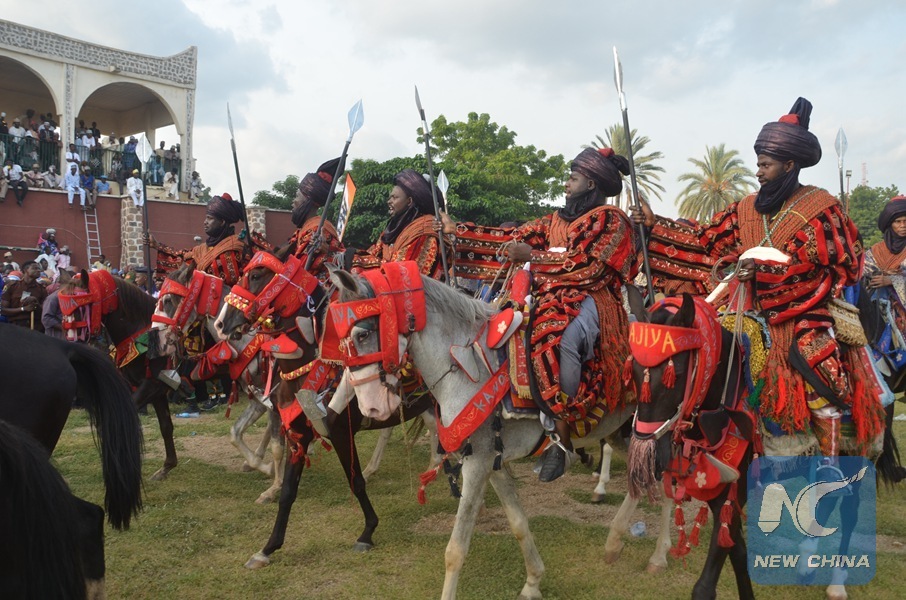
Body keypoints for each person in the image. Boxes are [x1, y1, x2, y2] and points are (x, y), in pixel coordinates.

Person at [631, 97, 884, 457]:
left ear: (790, 165)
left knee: (816, 364)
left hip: (800, 308)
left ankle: (832, 448)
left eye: (766, 165)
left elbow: (841, 267)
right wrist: (656, 226)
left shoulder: (821, 208)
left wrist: (766, 272)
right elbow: (705, 243)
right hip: (742, 304)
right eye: (758, 164)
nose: (759, 172)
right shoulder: (745, 207)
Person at [443, 147, 638, 481]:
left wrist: (534, 255)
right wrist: (457, 232)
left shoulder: (611, 220)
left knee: (563, 337)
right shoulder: (554, 221)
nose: (566, 184)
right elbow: (509, 238)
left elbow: (589, 266)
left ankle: (562, 436)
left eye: (572, 179)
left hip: (593, 296)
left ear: (590, 184)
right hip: (547, 294)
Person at [352, 168, 451, 280]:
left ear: (409, 201)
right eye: (390, 197)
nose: (389, 201)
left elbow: (403, 272)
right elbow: (373, 253)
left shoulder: (424, 228)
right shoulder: (393, 228)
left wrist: (357, 261)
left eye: (395, 197)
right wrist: (348, 257)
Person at [145, 193, 249, 287]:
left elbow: (226, 281)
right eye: (206, 218)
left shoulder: (233, 246)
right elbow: (182, 258)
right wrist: (157, 245)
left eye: (209, 218)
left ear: (222, 222)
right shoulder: (203, 248)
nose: (205, 222)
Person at [863, 195, 906, 388]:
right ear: (890, 223)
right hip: (877, 309)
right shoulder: (875, 251)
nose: (903, 225)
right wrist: (872, 279)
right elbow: (862, 274)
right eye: (898, 221)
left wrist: (891, 280)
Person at [284, 157, 346, 281]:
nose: (293, 202)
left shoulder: (317, 229)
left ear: (307, 200)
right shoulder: (304, 229)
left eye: (297, 196)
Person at [0, 260, 47, 331]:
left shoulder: (42, 289)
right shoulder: (13, 287)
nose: (38, 270)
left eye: (39, 268)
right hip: (15, 327)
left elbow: (46, 312)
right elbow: (3, 310)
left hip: (35, 328)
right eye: (35, 268)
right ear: (25, 270)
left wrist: (36, 303)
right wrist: (23, 309)